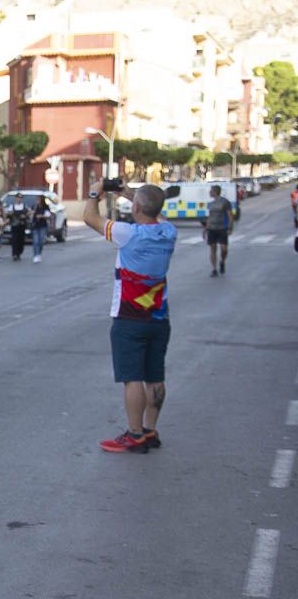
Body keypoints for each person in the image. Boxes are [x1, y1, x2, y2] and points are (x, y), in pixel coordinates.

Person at [82, 182, 176, 453]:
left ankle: (134, 434)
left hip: (129, 317)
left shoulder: (129, 234)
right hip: (159, 317)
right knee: (155, 375)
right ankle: (150, 430)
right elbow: (154, 212)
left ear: (135, 208)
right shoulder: (168, 232)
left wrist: (95, 192)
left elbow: (90, 218)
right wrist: (131, 194)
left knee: (132, 377)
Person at [203, 184, 234, 277]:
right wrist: (205, 229)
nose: (209, 192)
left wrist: (230, 227)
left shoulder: (225, 202)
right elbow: (209, 217)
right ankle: (214, 269)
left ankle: (222, 261)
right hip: (212, 228)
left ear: (215, 192)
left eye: (211, 191)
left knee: (224, 248)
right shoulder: (211, 204)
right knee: (213, 248)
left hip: (222, 228)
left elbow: (230, 216)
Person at [6, 192, 28, 261]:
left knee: (21, 240)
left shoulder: (24, 206)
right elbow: (8, 214)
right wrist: (10, 213)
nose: (19, 199)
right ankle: (14, 253)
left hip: (22, 225)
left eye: (20, 198)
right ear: (15, 198)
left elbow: (28, 213)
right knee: (14, 239)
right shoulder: (12, 206)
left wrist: (25, 216)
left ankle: (19, 252)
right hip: (14, 224)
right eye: (18, 198)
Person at [30, 194, 51, 263]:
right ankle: (35, 255)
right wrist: (31, 213)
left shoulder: (45, 207)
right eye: (37, 199)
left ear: (42, 200)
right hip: (35, 225)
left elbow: (48, 216)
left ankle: (39, 253)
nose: (37, 201)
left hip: (43, 226)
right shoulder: (34, 207)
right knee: (36, 241)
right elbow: (30, 213)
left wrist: (41, 216)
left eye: (38, 199)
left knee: (41, 241)